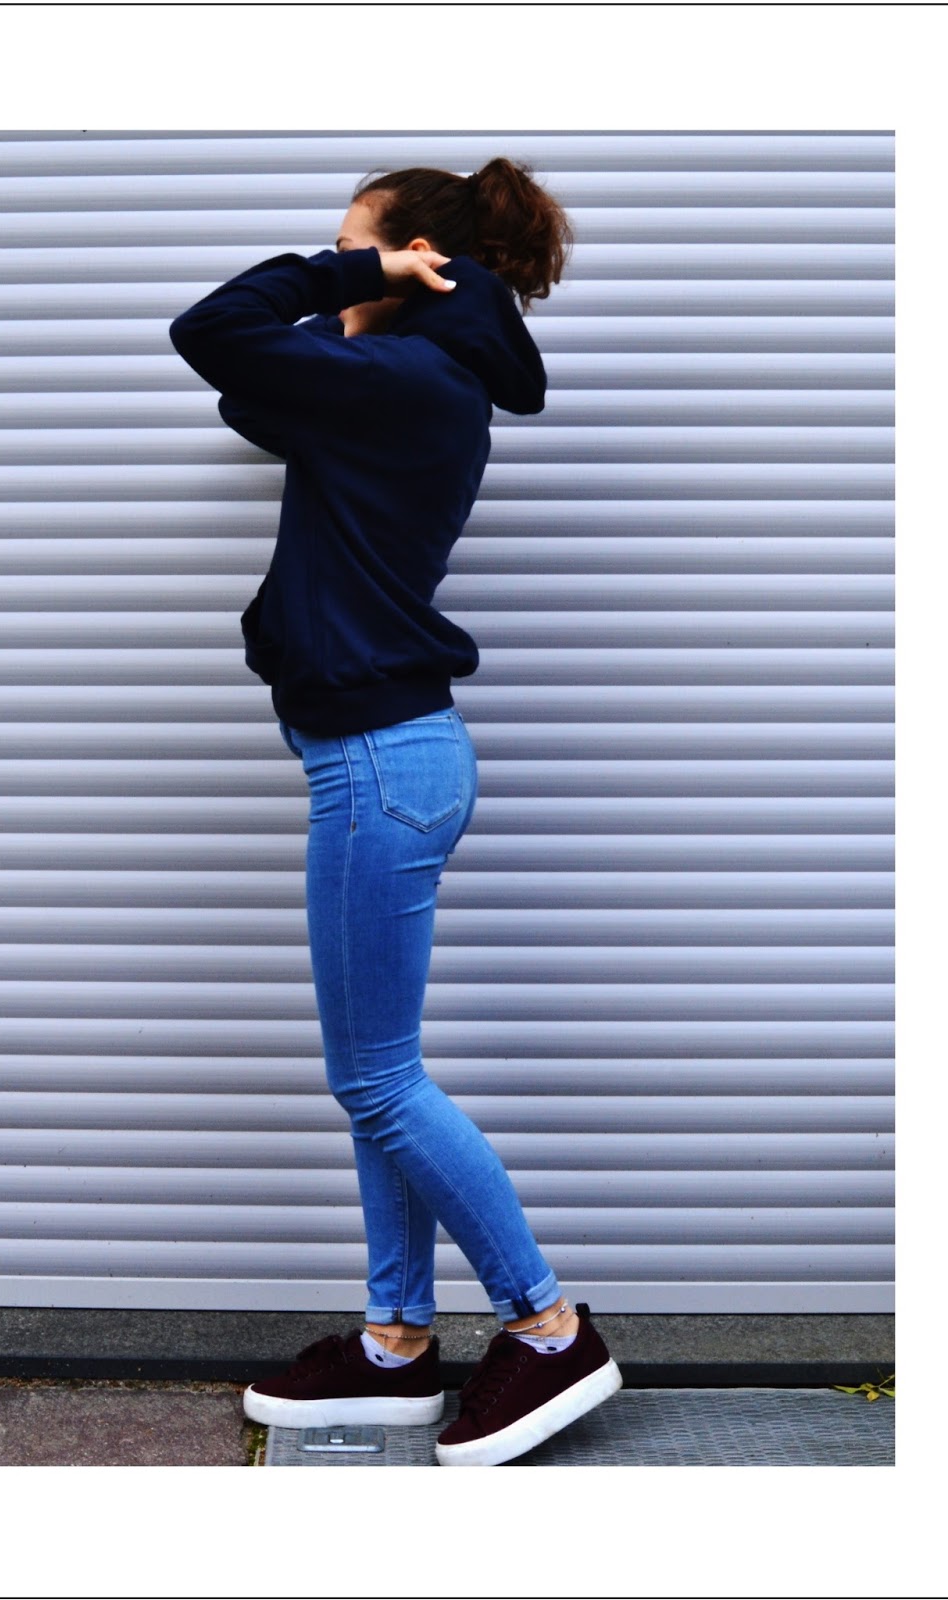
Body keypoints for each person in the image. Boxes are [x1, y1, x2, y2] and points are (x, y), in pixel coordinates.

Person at [168, 158, 621, 1468]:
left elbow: (212, 328)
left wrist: (363, 276)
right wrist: (365, 293)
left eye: (351, 243)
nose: (333, 264)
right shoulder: (400, 384)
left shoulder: (410, 380)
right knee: (378, 1080)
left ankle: (546, 1326)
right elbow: (246, 387)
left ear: (417, 259)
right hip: (374, 755)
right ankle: (395, 1341)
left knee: (376, 1079)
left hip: (381, 760)